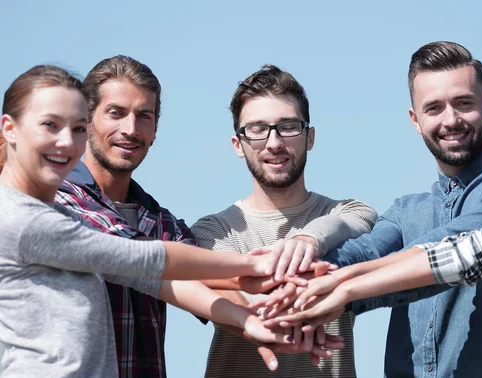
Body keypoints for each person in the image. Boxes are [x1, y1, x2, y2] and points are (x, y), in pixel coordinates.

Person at [276, 52, 482, 378]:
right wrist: (297, 285)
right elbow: (363, 252)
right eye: (434, 108)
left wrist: (342, 289)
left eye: (463, 103)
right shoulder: (406, 210)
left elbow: (459, 248)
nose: (450, 120)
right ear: (415, 120)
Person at [0, 65, 288, 377]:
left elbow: (194, 278)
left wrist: (252, 319)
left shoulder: (162, 223)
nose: (131, 129)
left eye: (144, 116)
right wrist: (253, 266)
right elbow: (140, 256)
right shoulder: (51, 207)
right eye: (115, 113)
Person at [191, 64, 377, 378]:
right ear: (238, 144)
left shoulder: (347, 213)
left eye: (288, 126)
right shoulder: (210, 232)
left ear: (310, 137)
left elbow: (358, 219)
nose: (274, 143)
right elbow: (229, 300)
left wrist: (307, 241)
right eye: (257, 129)